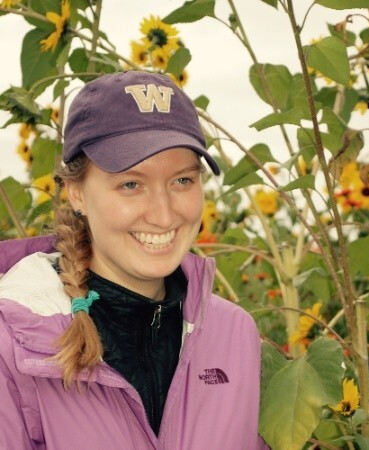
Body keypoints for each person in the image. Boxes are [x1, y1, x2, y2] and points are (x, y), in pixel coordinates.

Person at [0, 71, 268, 449]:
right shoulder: (12, 345)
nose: (162, 215)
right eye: (131, 184)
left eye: (182, 181)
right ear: (76, 192)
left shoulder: (234, 334)